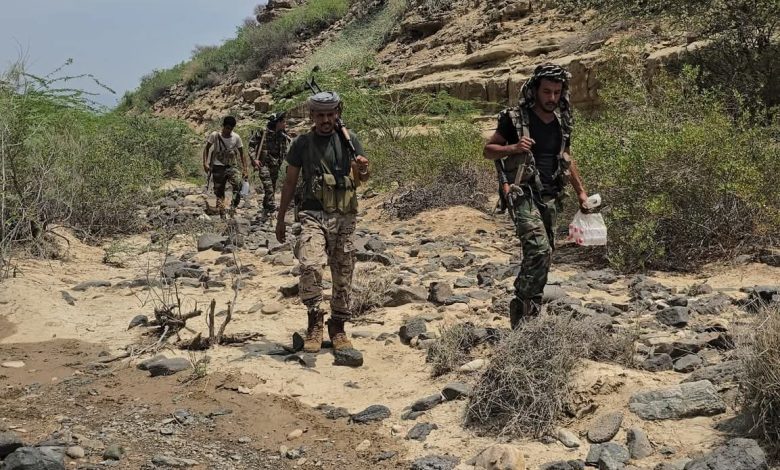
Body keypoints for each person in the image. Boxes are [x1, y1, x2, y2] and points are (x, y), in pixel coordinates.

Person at [483, 63, 590, 328]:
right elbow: (488, 150)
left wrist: (581, 192)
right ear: (534, 90)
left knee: (546, 253)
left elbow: (566, 158)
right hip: (523, 193)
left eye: (557, 92)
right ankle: (522, 304)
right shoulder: (515, 119)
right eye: (546, 92)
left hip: (551, 195)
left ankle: (531, 309)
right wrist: (514, 147)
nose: (552, 98)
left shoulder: (563, 121)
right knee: (539, 249)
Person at [275, 92, 370, 353]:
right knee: (310, 265)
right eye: (321, 115)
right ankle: (314, 320)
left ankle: (338, 326)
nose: (326, 120)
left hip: (344, 215)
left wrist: (363, 168)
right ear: (312, 116)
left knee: (343, 272)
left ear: (337, 113)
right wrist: (281, 219)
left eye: (330, 114)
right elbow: (290, 182)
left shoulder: (350, 140)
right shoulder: (302, 144)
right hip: (312, 214)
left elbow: (362, 178)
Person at [203, 116, 249, 217]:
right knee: (219, 190)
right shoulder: (215, 135)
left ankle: (233, 207)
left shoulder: (236, 137)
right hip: (218, 167)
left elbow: (242, 154)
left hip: (231, 166)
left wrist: (245, 169)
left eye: (231, 129)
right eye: (227, 128)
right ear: (223, 126)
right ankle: (222, 213)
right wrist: (205, 163)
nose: (228, 131)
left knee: (238, 185)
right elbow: (206, 149)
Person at [251, 112, 290, 214]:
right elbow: (251, 145)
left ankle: (266, 206)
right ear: (278, 123)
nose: (285, 124)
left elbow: (285, 149)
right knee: (269, 188)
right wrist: (254, 159)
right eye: (283, 122)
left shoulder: (282, 134)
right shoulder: (263, 132)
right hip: (263, 164)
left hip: (275, 165)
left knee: (272, 187)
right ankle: (272, 208)